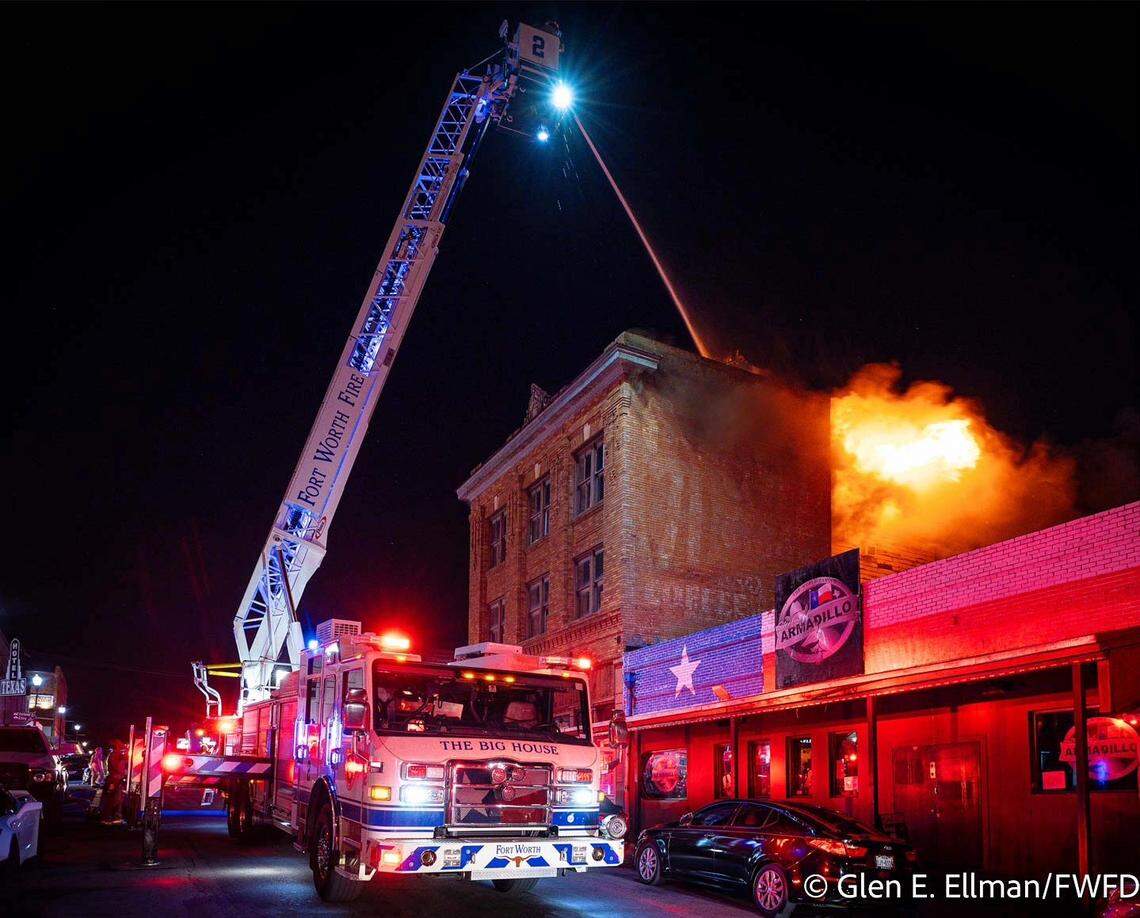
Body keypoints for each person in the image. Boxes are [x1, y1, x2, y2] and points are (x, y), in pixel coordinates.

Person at [100, 740, 127, 824]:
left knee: (113, 799)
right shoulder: (115, 754)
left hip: (113, 779)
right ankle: (108, 818)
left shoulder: (112, 754)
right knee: (113, 799)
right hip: (114, 779)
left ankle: (110, 817)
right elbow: (117, 767)